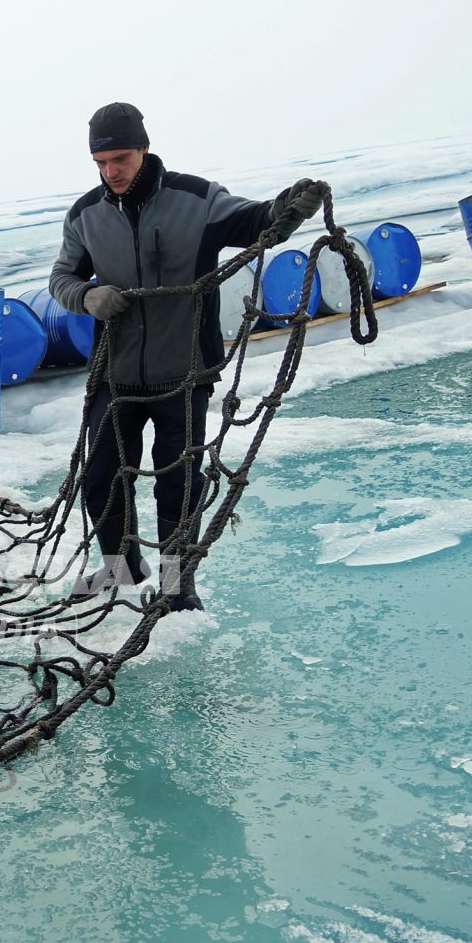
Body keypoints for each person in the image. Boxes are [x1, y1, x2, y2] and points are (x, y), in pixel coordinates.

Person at [49, 102, 322, 610]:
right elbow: (60, 279)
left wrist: (287, 206)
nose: (112, 172)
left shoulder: (197, 198)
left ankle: (177, 585)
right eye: (101, 163)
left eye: (121, 158)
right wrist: (87, 297)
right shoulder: (85, 215)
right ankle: (120, 570)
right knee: (101, 480)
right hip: (115, 374)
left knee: (178, 484)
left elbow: (259, 222)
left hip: (185, 372)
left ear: (144, 149)